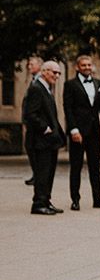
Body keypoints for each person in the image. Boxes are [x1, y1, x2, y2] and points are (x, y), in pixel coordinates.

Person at [63, 55, 100, 210]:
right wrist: (73, 129)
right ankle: (75, 199)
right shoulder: (70, 85)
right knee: (76, 166)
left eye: (89, 65)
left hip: (94, 132)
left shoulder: (98, 83)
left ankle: (97, 199)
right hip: (78, 132)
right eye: (83, 65)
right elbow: (68, 109)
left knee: (95, 167)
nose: (87, 67)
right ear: (78, 67)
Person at [25, 61, 66, 215]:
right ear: (44, 71)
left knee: (48, 173)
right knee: (42, 174)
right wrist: (45, 128)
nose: (57, 76)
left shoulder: (46, 89)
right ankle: (38, 204)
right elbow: (31, 114)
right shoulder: (36, 88)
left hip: (50, 141)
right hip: (41, 141)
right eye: (54, 72)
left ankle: (46, 201)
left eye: (59, 73)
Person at [22, 56, 43, 185]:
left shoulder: (41, 81)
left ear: (40, 66)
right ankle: (37, 174)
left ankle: (39, 176)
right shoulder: (33, 81)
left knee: (33, 148)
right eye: (29, 64)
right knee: (30, 147)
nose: (29, 66)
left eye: (32, 64)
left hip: (36, 122)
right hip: (30, 121)